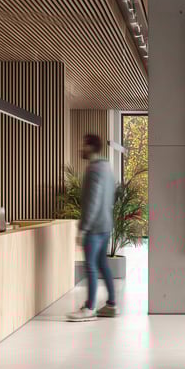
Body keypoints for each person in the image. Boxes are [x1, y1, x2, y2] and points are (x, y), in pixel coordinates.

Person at [67, 134, 118, 322]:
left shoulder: (93, 170)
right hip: (105, 225)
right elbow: (111, 195)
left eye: (82, 144)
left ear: (90, 147)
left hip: (94, 227)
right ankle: (112, 304)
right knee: (102, 264)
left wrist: (83, 229)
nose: (80, 148)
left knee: (90, 266)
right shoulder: (107, 168)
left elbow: (93, 202)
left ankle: (89, 308)